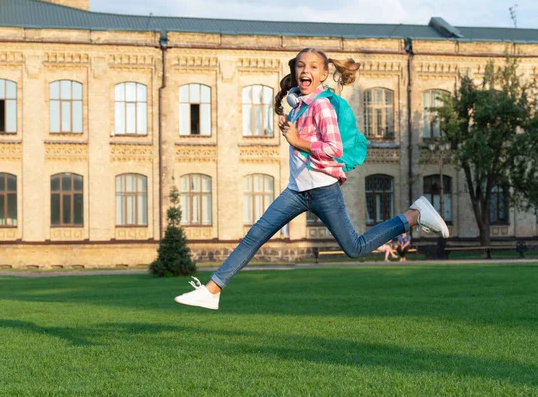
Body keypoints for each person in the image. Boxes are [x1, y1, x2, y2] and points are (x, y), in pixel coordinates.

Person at [175, 47, 449, 310]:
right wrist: (292, 129)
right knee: (254, 236)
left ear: (323, 75)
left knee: (355, 249)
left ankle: (412, 216)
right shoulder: (298, 106)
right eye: (300, 65)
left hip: (322, 189)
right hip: (296, 191)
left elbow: (334, 148)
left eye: (313, 67)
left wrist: (298, 140)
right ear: (295, 71)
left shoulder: (322, 106)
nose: (305, 70)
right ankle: (212, 291)